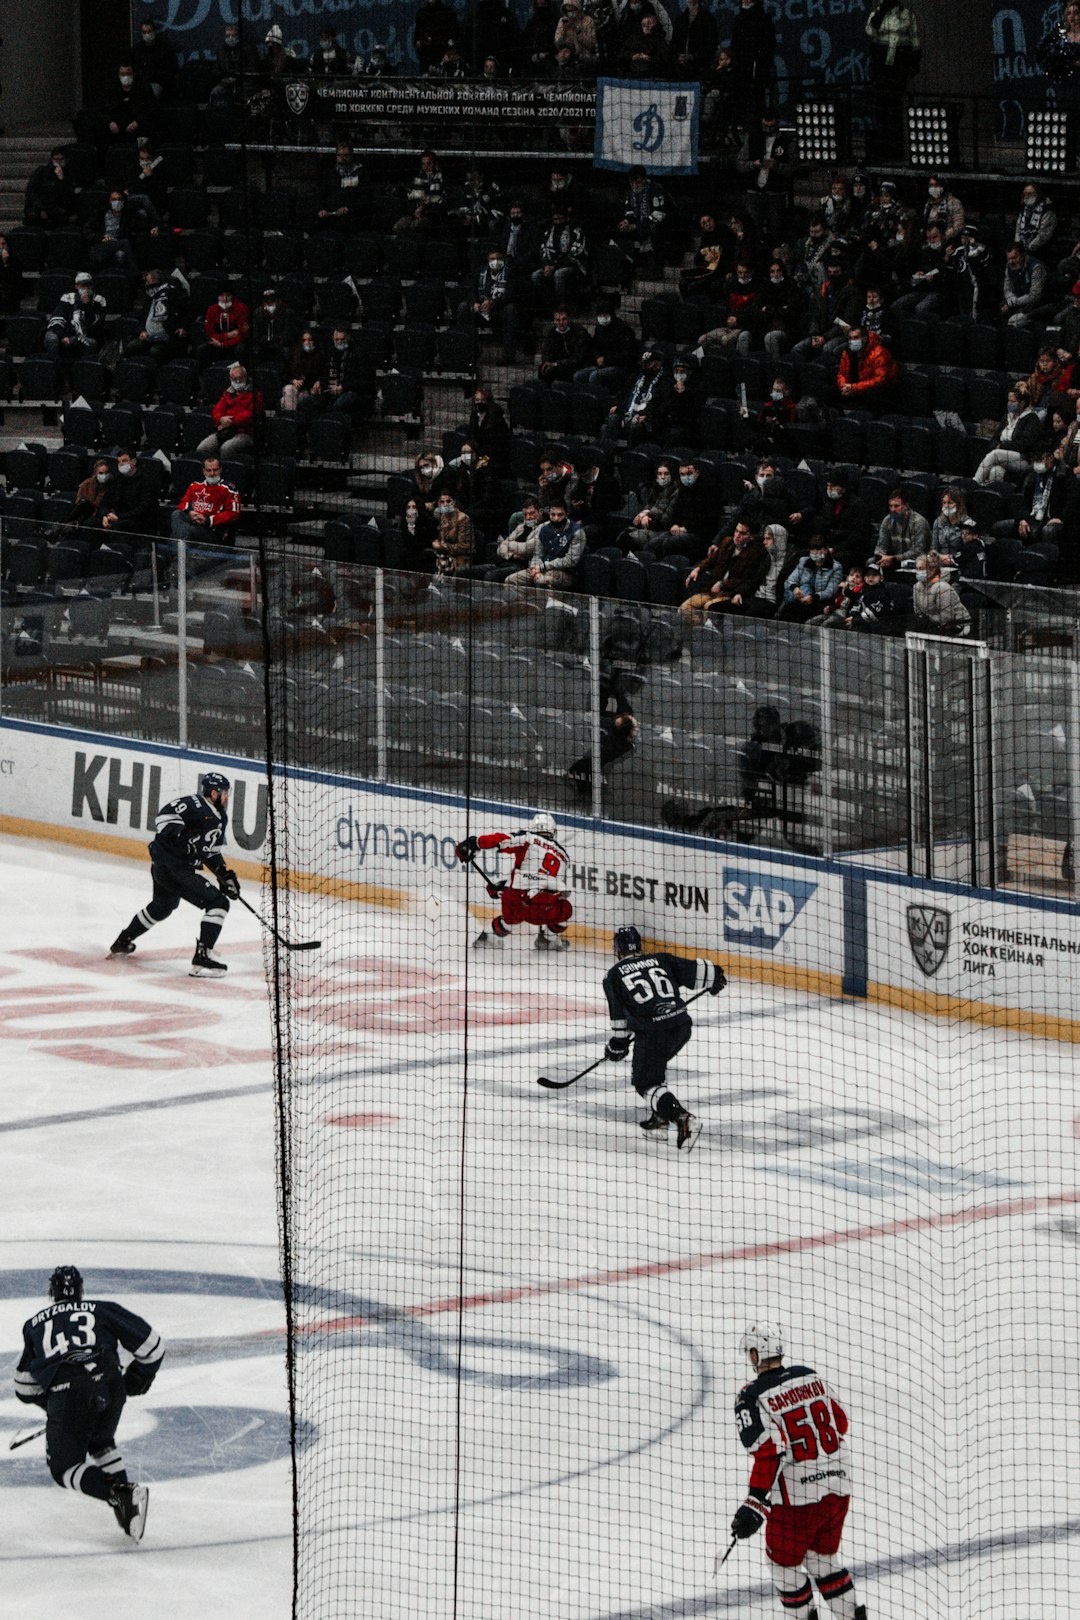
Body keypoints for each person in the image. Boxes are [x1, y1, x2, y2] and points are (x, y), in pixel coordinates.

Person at [729, 1320, 866, 1620]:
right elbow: (840, 1422)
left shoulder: (750, 1397)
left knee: (782, 1565)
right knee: (822, 1561)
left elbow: (769, 1452)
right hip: (839, 1487)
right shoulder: (810, 1376)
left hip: (797, 1501)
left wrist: (753, 1504)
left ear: (756, 1354)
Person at [15, 1265, 163, 1543]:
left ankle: (120, 1494)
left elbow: (24, 1387)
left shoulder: (34, 1325)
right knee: (99, 1439)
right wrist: (135, 1380)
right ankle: (128, 1509)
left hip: (68, 1390)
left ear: (51, 1293)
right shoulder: (103, 1309)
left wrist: (55, 1406)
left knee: (63, 1469)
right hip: (110, 1384)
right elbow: (154, 1346)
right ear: (81, 1292)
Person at [602, 924, 724, 1151]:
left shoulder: (613, 976)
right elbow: (704, 971)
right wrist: (717, 977)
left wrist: (618, 1045)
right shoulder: (660, 959)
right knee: (654, 1066)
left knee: (644, 1082)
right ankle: (659, 1120)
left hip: (654, 1033)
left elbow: (619, 1020)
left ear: (616, 949)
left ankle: (682, 1118)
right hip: (681, 1025)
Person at [109, 771, 240, 977]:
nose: (226, 797)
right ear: (213, 793)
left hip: (171, 868)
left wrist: (224, 874)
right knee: (218, 903)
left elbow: (210, 852)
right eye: (224, 793)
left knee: (163, 907)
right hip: (172, 866)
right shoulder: (193, 804)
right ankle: (202, 958)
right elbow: (164, 817)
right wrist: (178, 833)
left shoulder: (220, 817)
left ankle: (122, 941)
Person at [456, 811, 573, 950]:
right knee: (566, 909)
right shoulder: (564, 857)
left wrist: (474, 843)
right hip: (545, 910)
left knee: (509, 919)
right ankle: (547, 940)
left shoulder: (528, 838)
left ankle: (487, 940)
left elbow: (501, 840)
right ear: (553, 831)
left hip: (517, 903)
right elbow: (562, 891)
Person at [502, 495, 585, 588]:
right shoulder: (544, 528)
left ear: (567, 514)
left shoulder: (577, 532)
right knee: (510, 580)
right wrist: (534, 568)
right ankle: (522, 602)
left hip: (566, 573)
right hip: (541, 569)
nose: (556, 518)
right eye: (553, 515)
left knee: (542, 581)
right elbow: (537, 554)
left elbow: (570, 561)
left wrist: (542, 567)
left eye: (560, 515)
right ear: (549, 514)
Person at [197, 363, 264, 458]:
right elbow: (216, 411)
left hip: (245, 433)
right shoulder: (228, 393)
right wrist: (220, 419)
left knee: (227, 448)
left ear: (246, 377)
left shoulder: (255, 395)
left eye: (240, 378)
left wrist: (230, 421)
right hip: (225, 430)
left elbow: (249, 415)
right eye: (234, 379)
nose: (237, 381)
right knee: (203, 448)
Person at [170, 457, 240, 547]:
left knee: (187, 531)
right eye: (208, 470)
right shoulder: (195, 485)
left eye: (215, 470)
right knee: (177, 514)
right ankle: (181, 551)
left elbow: (233, 514)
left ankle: (179, 552)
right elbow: (184, 503)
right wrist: (190, 512)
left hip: (211, 528)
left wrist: (207, 520)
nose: (212, 474)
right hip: (194, 520)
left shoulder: (229, 489)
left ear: (220, 470)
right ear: (204, 471)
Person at [912, 551, 970, 636]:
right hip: (934, 624)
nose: (918, 572)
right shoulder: (916, 587)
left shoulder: (942, 587)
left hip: (956, 625)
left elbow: (947, 617)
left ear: (932, 570)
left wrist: (928, 619)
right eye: (917, 569)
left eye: (921, 569)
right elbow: (918, 611)